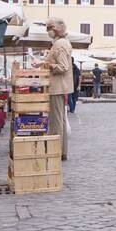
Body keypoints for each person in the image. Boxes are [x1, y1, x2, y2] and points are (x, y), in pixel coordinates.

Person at [42, 17, 74, 161]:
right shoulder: (62, 43)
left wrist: (48, 66)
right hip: (60, 86)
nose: (47, 31)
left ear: (54, 29)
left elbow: (63, 67)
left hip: (57, 86)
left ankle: (56, 151)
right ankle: (61, 151)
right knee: (59, 120)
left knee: (56, 121)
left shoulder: (60, 44)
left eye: (48, 28)